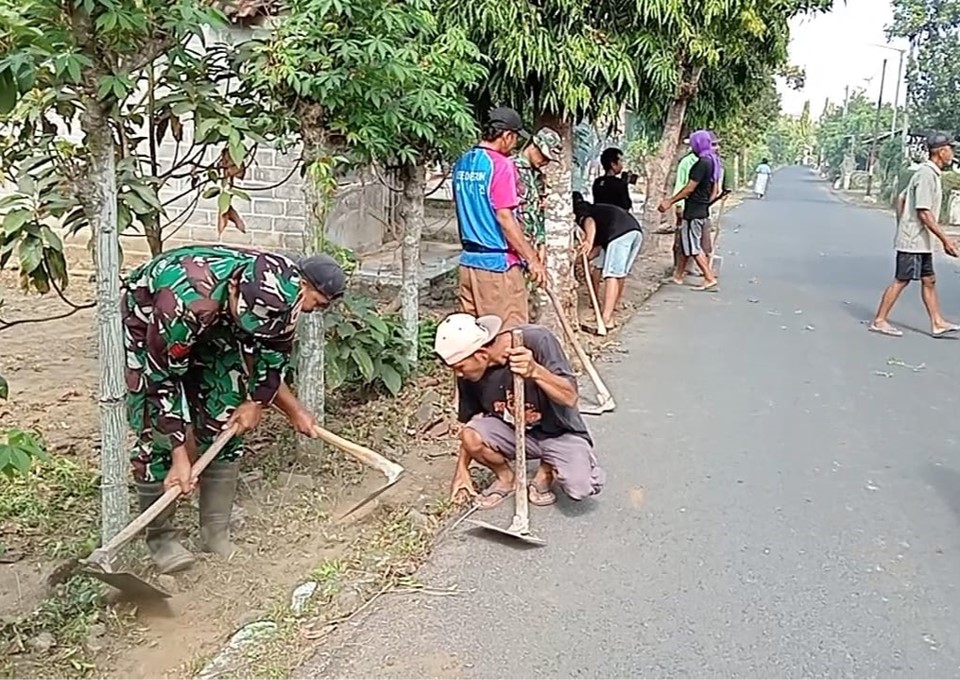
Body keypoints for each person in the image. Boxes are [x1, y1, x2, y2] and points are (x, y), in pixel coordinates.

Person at [122, 245, 346, 573]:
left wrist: (256, 401)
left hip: (221, 322)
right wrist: (180, 455)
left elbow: (273, 353)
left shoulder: (284, 293)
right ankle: (162, 540)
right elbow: (162, 380)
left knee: (225, 412)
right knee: (156, 429)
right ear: (234, 291)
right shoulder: (184, 303)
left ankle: (215, 533)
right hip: (152, 320)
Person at [435, 313, 605, 509]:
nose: (458, 374)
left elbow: (570, 397)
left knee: (581, 487)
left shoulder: (538, 340)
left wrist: (535, 371)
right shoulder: (469, 373)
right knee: (472, 435)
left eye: (460, 367)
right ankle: (506, 478)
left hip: (559, 432)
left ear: (481, 354)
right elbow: (470, 425)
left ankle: (547, 469)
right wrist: (461, 471)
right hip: (515, 433)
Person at [452, 106, 546, 329]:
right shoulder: (502, 165)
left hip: (468, 263)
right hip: (497, 267)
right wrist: (533, 260)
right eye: (514, 139)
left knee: (475, 339)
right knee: (509, 335)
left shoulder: (463, 162)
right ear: (506, 136)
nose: (514, 146)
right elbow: (505, 218)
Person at [869, 133, 960, 338]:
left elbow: (900, 199)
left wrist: (903, 224)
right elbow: (924, 211)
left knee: (929, 280)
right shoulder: (926, 175)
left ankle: (937, 322)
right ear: (941, 152)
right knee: (902, 279)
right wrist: (945, 240)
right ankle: (880, 320)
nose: (952, 154)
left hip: (921, 241)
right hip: (913, 242)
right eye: (950, 149)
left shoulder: (928, 173)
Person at [657, 129, 720, 290]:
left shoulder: (701, 164)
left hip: (693, 211)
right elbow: (715, 189)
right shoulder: (712, 162)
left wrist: (670, 201)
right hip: (701, 209)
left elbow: (689, 188)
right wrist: (706, 203)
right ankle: (678, 276)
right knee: (686, 243)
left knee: (693, 246)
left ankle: (709, 277)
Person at [573, 192, 643, 329]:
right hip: (634, 232)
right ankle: (608, 306)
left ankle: (606, 319)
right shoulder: (601, 216)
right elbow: (595, 253)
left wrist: (588, 240)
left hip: (619, 234)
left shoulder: (581, 209)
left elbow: (589, 222)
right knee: (617, 273)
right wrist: (577, 261)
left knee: (611, 275)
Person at [514, 127, 562, 266]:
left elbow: (539, 211)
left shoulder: (537, 177)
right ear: (534, 145)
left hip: (531, 250)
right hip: (512, 249)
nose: (545, 162)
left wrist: (542, 243)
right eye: (544, 156)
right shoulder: (510, 169)